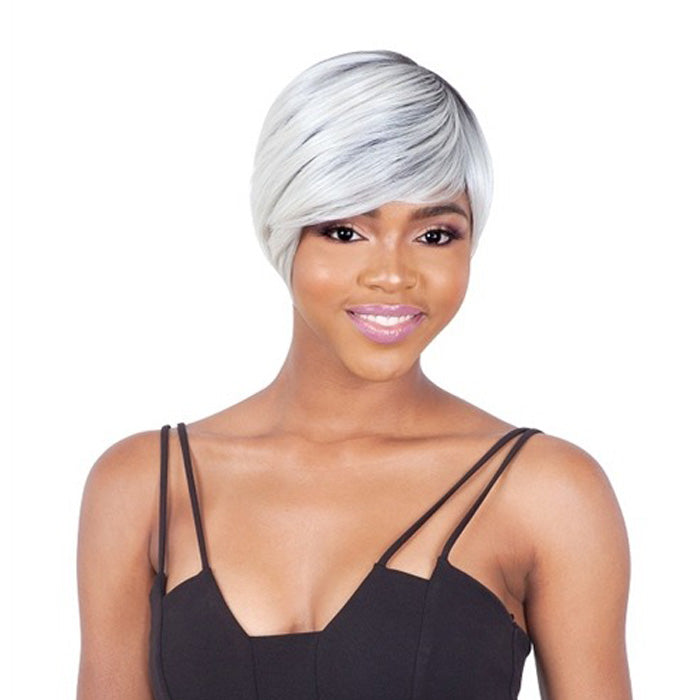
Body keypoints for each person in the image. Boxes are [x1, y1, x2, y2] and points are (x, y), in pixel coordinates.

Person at [76, 50, 633, 699]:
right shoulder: (143, 486)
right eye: (345, 232)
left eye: (434, 235)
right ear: (282, 232)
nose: (392, 275)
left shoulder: (548, 493)